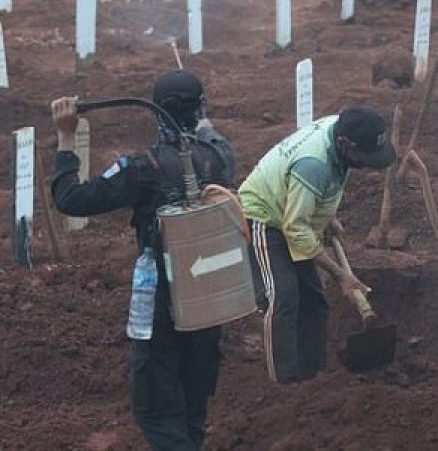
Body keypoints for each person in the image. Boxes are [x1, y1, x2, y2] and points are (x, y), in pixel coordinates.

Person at [50, 70, 236, 450]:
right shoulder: (221, 157)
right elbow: (210, 134)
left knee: (156, 409)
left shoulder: (142, 168)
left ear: (155, 113)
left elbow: (72, 199)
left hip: (163, 306)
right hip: (212, 299)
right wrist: (202, 118)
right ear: (200, 108)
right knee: (192, 401)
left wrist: (66, 137)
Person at [238, 106, 395, 384]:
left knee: (315, 302)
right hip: (263, 216)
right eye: (364, 158)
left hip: (293, 209)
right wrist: (341, 275)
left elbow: (325, 182)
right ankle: (284, 385)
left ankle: (313, 379)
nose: (366, 165)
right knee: (283, 297)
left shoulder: (340, 129)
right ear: (345, 144)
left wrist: (326, 214)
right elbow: (294, 227)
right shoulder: (314, 164)